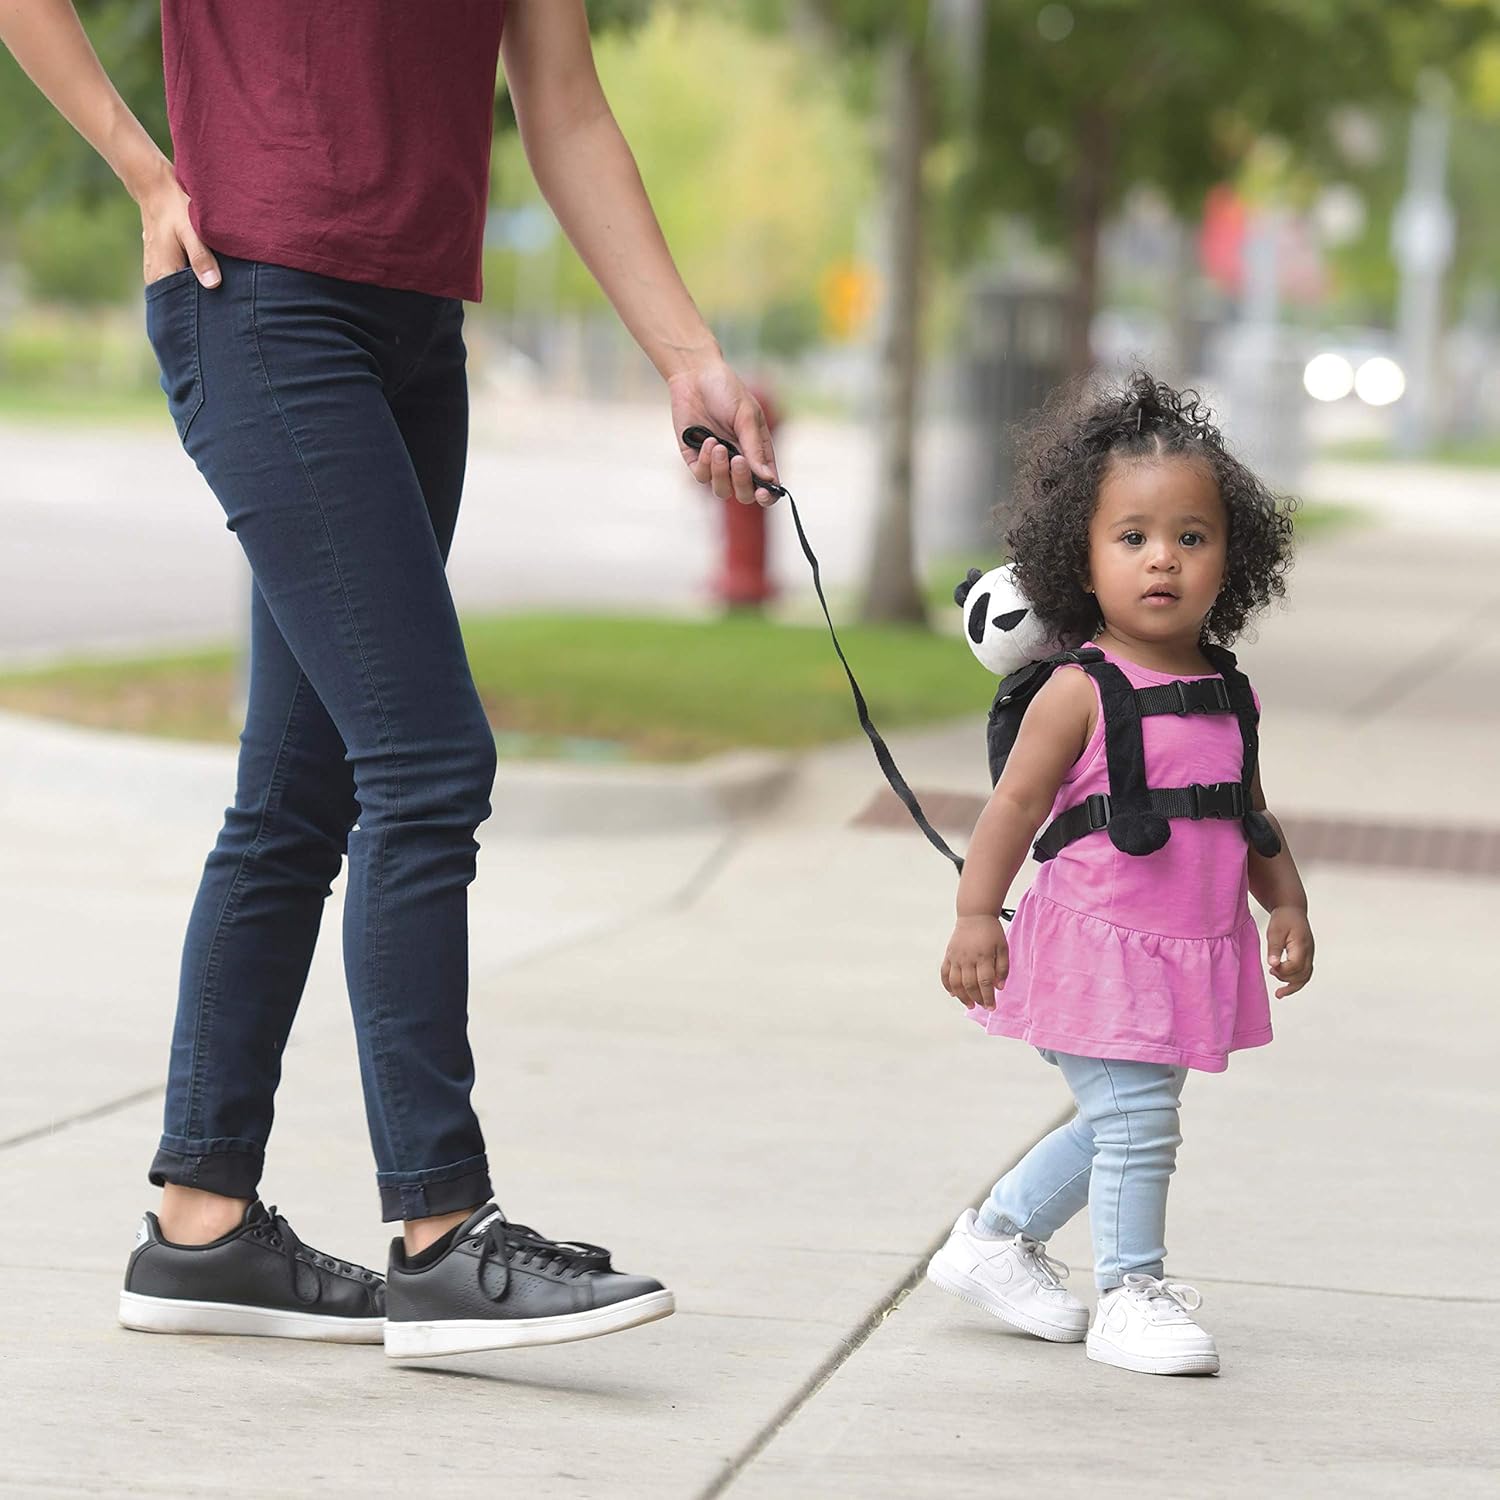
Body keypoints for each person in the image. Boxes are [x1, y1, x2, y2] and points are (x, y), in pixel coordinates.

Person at [1, 0, 780, 1358]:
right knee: (426, 762)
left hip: (417, 331)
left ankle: (202, 1223)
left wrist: (685, 356)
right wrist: (144, 170)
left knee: (296, 793)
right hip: (260, 300)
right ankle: (441, 1232)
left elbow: (566, 101)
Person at [926, 373, 1314, 1377]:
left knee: (1120, 1120)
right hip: (1093, 946)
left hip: (1186, 947)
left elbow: (1248, 809)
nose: (1163, 561)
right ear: (1080, 559)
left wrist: (1289, 901)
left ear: (1235, 559)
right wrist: (978, 914)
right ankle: (1129, 1292)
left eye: (1191, 537)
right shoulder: (1076, 691)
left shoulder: (1226, 689)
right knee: (1140, 1119)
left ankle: (993, 1244)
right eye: (1132, 537)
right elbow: (1011, 808)